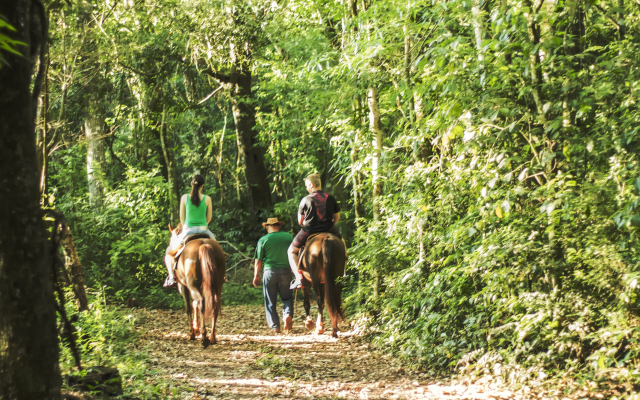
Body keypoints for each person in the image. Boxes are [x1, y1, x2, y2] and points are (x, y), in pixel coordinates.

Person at [287, 174, 344, 289]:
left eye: (307, 186)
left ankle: (299, 278)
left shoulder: (305, 200)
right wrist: (329, 226)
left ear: (311, 185)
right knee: (342, 244)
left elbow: (300, 221)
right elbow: (337, 217)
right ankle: (343, 273)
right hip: (329, 229)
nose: (307, 188)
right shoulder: (330, 198)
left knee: (291, 251)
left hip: (309, 230)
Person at [163, 174, 216, 288]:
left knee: (168, 252)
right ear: (202, 186)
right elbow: (209, 218)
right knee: (218, 250)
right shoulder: (207, 199)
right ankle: (221, 276)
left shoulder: (184, 198)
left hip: (188, 231)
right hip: (204, 231)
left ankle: (172, 277)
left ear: (191, 184)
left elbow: (182, 219)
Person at [253, 218, 294, 333]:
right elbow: (296, 253)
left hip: (269, 272)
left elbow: (258, 260)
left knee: (270, 300)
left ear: (267, 227)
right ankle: (287, 314)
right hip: (286, 271)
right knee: (287, 297)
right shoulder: (288, 237)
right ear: (278, 226)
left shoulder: (263, 239)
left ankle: (275, 326)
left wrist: (256, 276)